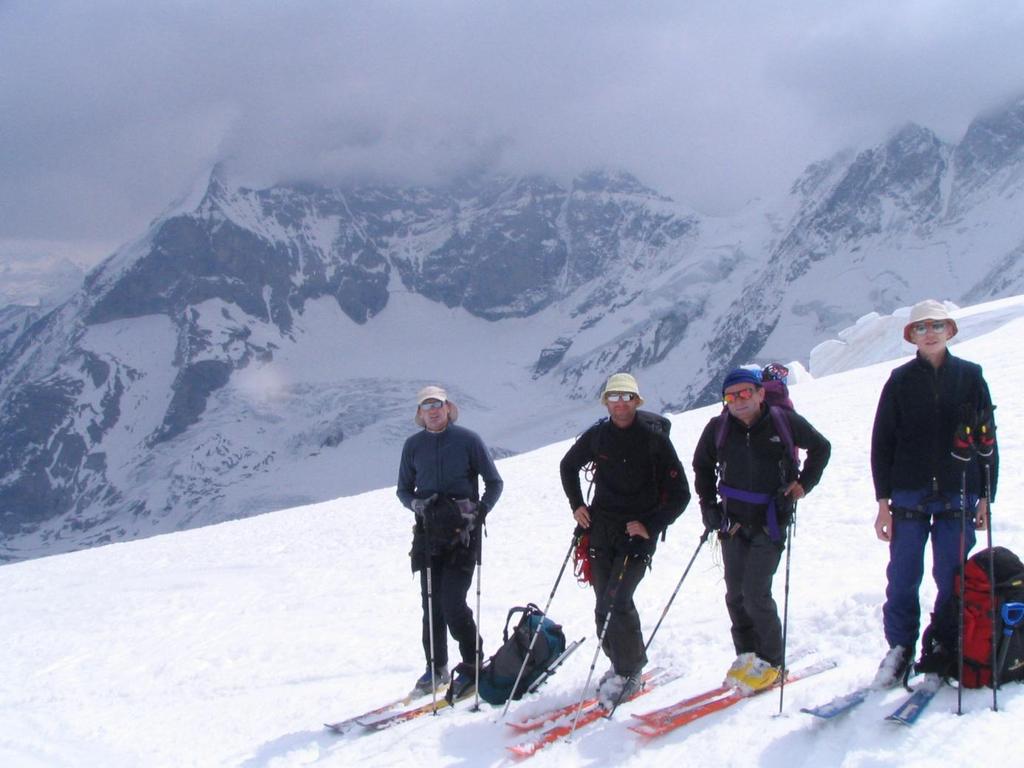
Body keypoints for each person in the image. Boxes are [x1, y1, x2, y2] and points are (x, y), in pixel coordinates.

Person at [871, 299, 998, 687]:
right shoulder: (899, 380)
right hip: (908, 494)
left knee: (952, 574)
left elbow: (987, 440)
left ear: (950, 331)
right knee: (904, 576)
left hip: (959, 491)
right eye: (922, 327)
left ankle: (944, 643)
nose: (929, 333)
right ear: (912, 335)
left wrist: (985, 497)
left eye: (937, 326)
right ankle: (900, 649)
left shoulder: (971, 377)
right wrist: (883, 502)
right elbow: (883, 442)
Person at [692, 367, 831, 693]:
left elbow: (821, 448)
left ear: (759, 393)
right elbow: (701, 466)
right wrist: (708, 506)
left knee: (756, 593)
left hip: (771, 519)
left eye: (744, 394)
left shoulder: (783, 421)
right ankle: (747, 655)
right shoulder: (718, 428)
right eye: (731, 396)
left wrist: (803, 484)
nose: (738, 401)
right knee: (735, 594)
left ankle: (772, 663)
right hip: (732, 521)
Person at [559, 372, 690, 706]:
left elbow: (680, 494)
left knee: (616, 601)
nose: (620, 404)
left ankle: (632, 670)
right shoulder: (598, 436)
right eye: (614, 398)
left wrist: (650, 525)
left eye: (626, 397)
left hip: (636, 535)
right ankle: (620, 664)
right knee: (603, 604)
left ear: (637, 401)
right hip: (601, 530)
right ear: (606, 402)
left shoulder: (653, 439)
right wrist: (577, 506)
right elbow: (567, 465)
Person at [397, 385, 504, 699]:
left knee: (452, 602)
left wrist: (480, 511)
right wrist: (415, 504)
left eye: (438, 405)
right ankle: (436, 667)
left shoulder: (468, 440)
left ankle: (472, 665)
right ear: (420, 413)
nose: (433, 410)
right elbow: (403, 489)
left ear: (447, 408)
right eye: (426, 406)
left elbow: (494, 482)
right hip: (428, 535)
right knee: (431, 604)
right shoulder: (412, 446)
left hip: (462, 535)